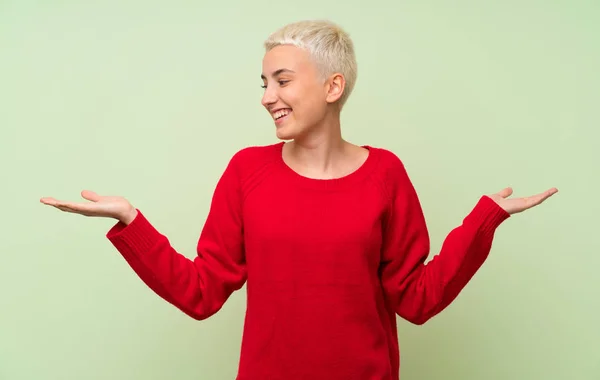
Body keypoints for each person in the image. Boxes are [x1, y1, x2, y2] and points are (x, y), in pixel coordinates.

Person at [40, 19, 557, 380]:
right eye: (264, 82)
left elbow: (416, 299)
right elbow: (201, 292)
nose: (267, 95)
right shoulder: (248, 171)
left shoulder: (385, 174)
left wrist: (484, 221)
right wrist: (131, 222)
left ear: (333, 86)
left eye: (282, 80)